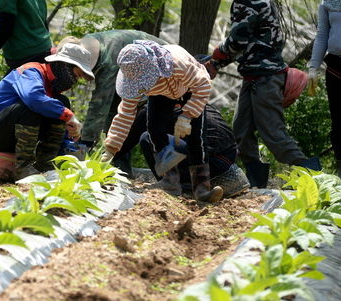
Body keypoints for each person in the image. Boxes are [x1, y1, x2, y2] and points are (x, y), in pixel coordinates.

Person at [208, 0, 320, 188]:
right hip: (254, 74)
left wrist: (215, 59)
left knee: (273, 133)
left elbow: (238, 39)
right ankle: (255, 180)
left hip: (265, 76)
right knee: (241, 129)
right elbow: (242, 42)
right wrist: (217, 61)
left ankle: (314, 179)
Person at [102, 40, 223, 203]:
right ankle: (170, 181)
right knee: (154, 129)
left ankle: (201, 188)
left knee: (196, 137)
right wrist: (111, 147)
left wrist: (187, 116)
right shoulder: (133, 78)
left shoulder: (177, 63)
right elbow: (125, 114)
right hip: (161, 93)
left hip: (190, 89)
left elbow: (203, 85)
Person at [0, 43, 94, 182]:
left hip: (13, 135)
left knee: (61, 104)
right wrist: (69, 116)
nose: (74, 81)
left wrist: (70, 138)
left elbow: (52, 113)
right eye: (76, 75)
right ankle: (24, 168)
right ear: (65, 66)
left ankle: (46, 164)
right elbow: (33, 98)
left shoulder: (51, 89)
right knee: (34, 108)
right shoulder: (31, 71)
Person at [56, 30, 166, 171]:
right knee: (117, 111)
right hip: (147, 73)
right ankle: (119, 164)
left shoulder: (108, 59)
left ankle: (122, 164)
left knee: (139, 118)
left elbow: (99, 106)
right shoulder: (90, 46)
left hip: (164, 73)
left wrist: (85, 143)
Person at [116, 102, 250, 198]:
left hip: (210, 164)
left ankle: (175, 185)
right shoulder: (196, 102)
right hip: (227, 161)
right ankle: (189, 184)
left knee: (147, 138)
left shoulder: (152, 109)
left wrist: (104, 158)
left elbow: (123, 145)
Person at [307, 0, 341, 180]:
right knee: (339, 120)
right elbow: (322, 34)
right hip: (335, 66)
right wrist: (313, 68)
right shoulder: (327, 1)